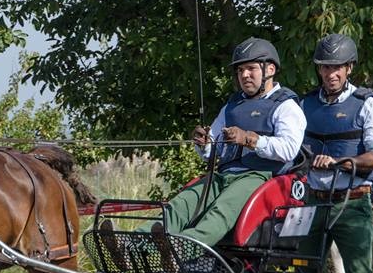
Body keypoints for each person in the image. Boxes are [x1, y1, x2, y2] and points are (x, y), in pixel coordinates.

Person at [105, 37, 306, 248]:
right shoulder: (232, 105)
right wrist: (204, 143)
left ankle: (181, 249)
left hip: (260, 177)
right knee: (182, 202)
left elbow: (289, 150)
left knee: (221, 210)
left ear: (270, 69)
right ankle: (130, 245)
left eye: (250, 68)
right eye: (240, 71)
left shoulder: (285, 105)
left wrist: (249, 139)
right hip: (223, 175)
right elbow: (212, 151)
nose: (244, 75)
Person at [299, 33, 373, 273]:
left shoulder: (367, 104)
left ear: (349, 68)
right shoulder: (304, 105)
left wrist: (338, 163)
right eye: (326, 67)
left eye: (337, 67)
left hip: (352, 202)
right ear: (319, 69)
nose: (331, 74)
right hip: (313, 202)